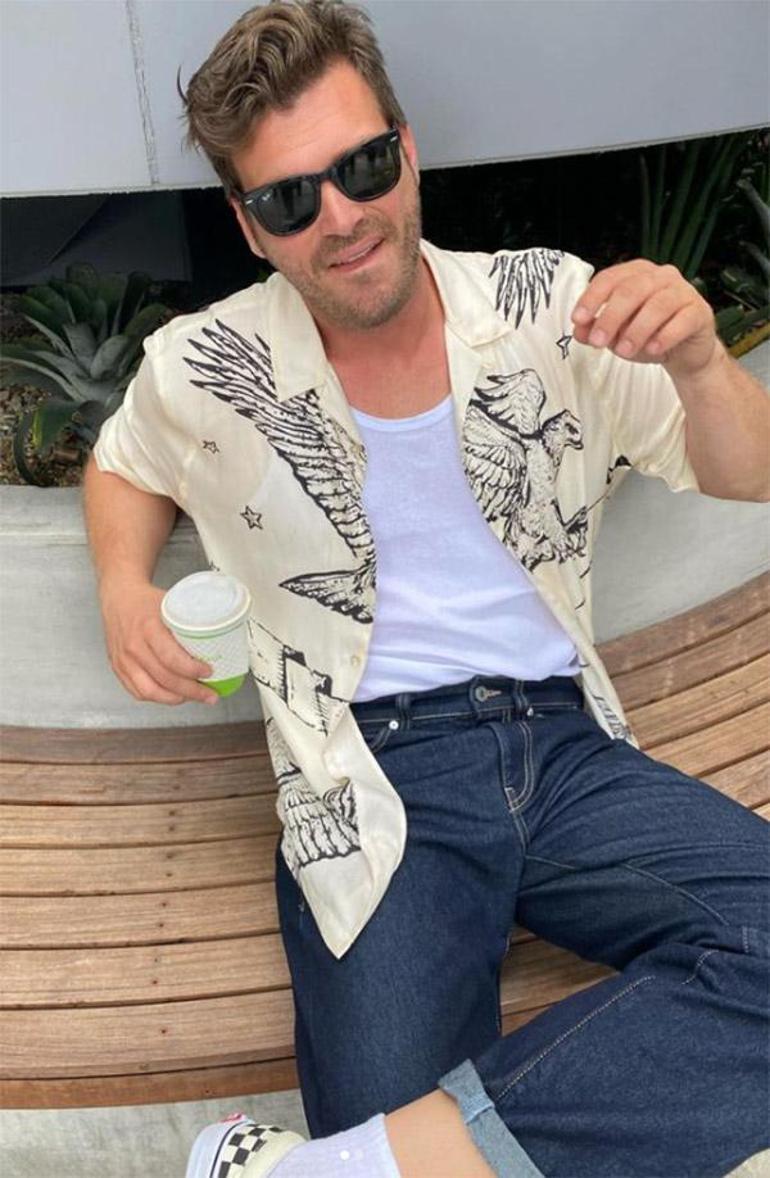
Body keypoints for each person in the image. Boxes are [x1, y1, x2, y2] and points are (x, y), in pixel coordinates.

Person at [82, 1, 770, 1175]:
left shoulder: (544, 305)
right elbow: (121, 464)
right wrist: (121, 586)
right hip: (366, 777)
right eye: (290, 199)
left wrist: (700, 360)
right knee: (408, 1126)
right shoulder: (210, 364)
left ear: (405, 151)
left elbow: (744, 471)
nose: (341, 217)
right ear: (249, 226)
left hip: (563, 745)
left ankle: (315, 1170)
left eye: (360, 167)